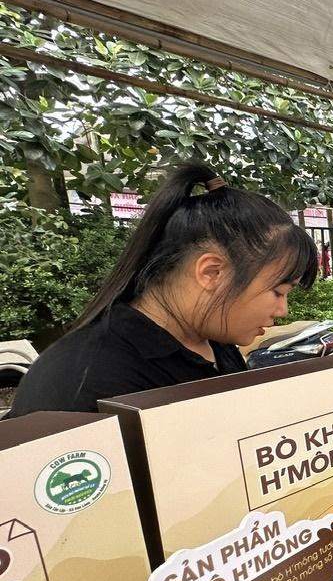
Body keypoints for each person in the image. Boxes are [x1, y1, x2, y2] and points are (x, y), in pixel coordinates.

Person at [9, 163, 317, 417]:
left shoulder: (215, 343)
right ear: (212, 272)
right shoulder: (89, 381)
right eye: (278, 291)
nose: (283, 311)